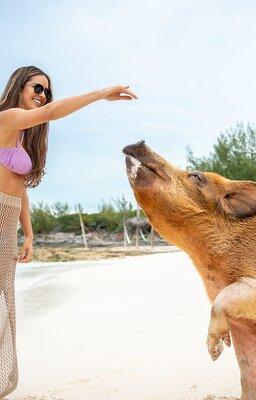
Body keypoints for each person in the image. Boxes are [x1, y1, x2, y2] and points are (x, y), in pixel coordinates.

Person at [0, 65, 137, 397]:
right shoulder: (6, 118)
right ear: (19, 86)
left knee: (5, 302)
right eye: (36, 87)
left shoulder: (20, 136)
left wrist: (28, 234)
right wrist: (101, 94)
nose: (42, 95)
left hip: (7, 225)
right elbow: (52, 113)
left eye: (46, 91)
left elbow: (21, 189)